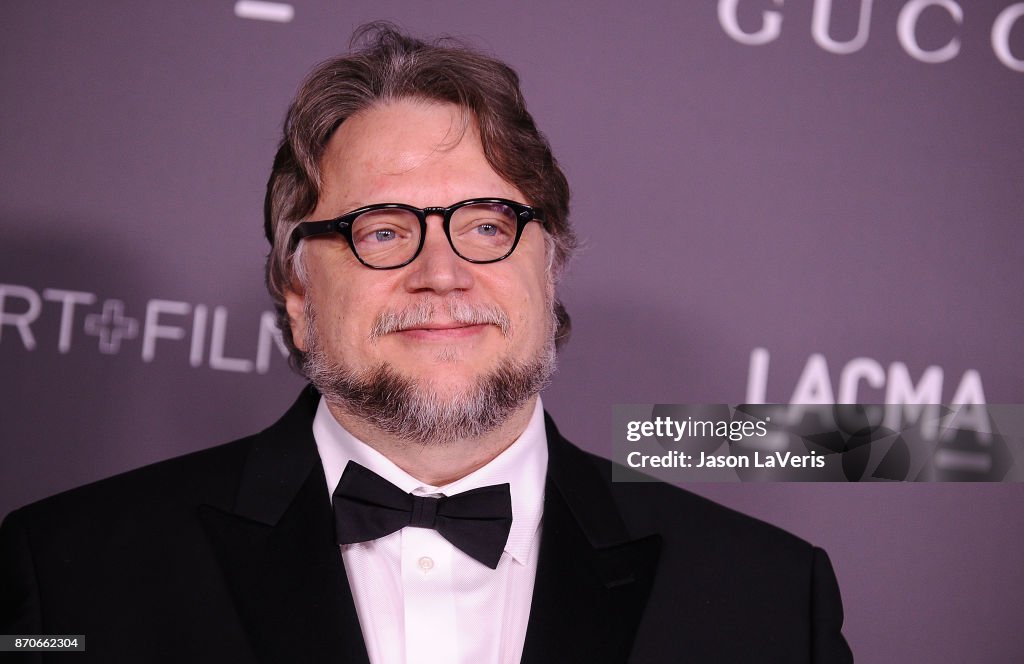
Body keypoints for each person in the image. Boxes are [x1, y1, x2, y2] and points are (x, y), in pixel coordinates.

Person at [0, 24, 853, 663]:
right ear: (297, 294)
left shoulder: (771, 600)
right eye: (381, 230)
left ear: (549, 265)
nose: (441, 273)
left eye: (486, 225)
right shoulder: (74, 574)